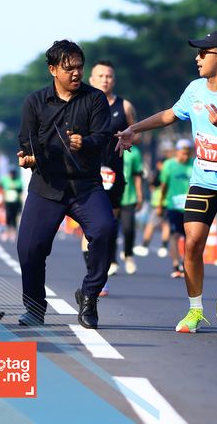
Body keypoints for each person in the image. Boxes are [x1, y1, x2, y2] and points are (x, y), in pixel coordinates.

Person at [117, 30, 217, 335]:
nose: (197, 58)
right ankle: (195, 309)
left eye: (203, 53)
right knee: (192, 242)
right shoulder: (194, 89)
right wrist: (133, 129)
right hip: (204, 177)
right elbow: (169, 115)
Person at [17, 39, 115, 329]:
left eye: (79, 67)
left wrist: (85, 142)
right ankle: (34, 308)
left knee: (105, 230)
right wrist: (28, 158)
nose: (76, 73)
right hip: (47, 186)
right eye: (68, 68)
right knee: (29, 248)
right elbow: (26, 141)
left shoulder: (95, 99)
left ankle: (89, 295)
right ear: (53, 70)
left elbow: (104, 137)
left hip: (86, 186)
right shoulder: (35, 102)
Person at [83, 60, 137, 293]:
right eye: (101, 76)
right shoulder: (83, 104)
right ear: (91, 79)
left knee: (107, 226)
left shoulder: (125, 106)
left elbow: (136, 131)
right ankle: (95, 277)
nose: (105, 80)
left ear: (114, 80)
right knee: (89, 226)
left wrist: (129, 138)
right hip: (87, 173)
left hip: (114, 174)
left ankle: (101, 271)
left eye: (109, 76)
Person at [157, 139, 193, 278]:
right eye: (183, 153)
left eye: (188, 153)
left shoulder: (194, 164)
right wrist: (160, 204)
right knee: (175, 235)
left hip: (190, 206)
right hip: (173, 205)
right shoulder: (169, 165)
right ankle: (176, 263)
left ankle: (186, 263)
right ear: (177, 152)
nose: (185, 156)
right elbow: (164, 185)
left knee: (190, 237)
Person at [134, 156, 170, 258]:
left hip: (158, 203)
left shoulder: (161, 173)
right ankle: (164, 246)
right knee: (165, 225)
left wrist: (159, 204)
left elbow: (154, 186)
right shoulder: (168, 173)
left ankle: (145, 245)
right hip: (167, 202)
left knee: (151, 224)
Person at [119, 146, 144, 274]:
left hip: (128, 197)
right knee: (110, 231)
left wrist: (139, 195)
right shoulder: (106, 146)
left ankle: (128, 255)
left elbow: (137, 174)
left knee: (128, 229)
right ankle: (112, 261)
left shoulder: (134, 152)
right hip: (110, 196)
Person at [0, 168, 23, 242]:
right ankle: (7, 233)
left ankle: (14, 234)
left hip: (15, 202)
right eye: (11, 173)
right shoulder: (5, 180)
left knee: (14, 218)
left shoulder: (18, 180)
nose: (12, 175)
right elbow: (1, 187)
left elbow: (20, 190)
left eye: (13, 173)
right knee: (8, 218)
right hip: (7, 202)